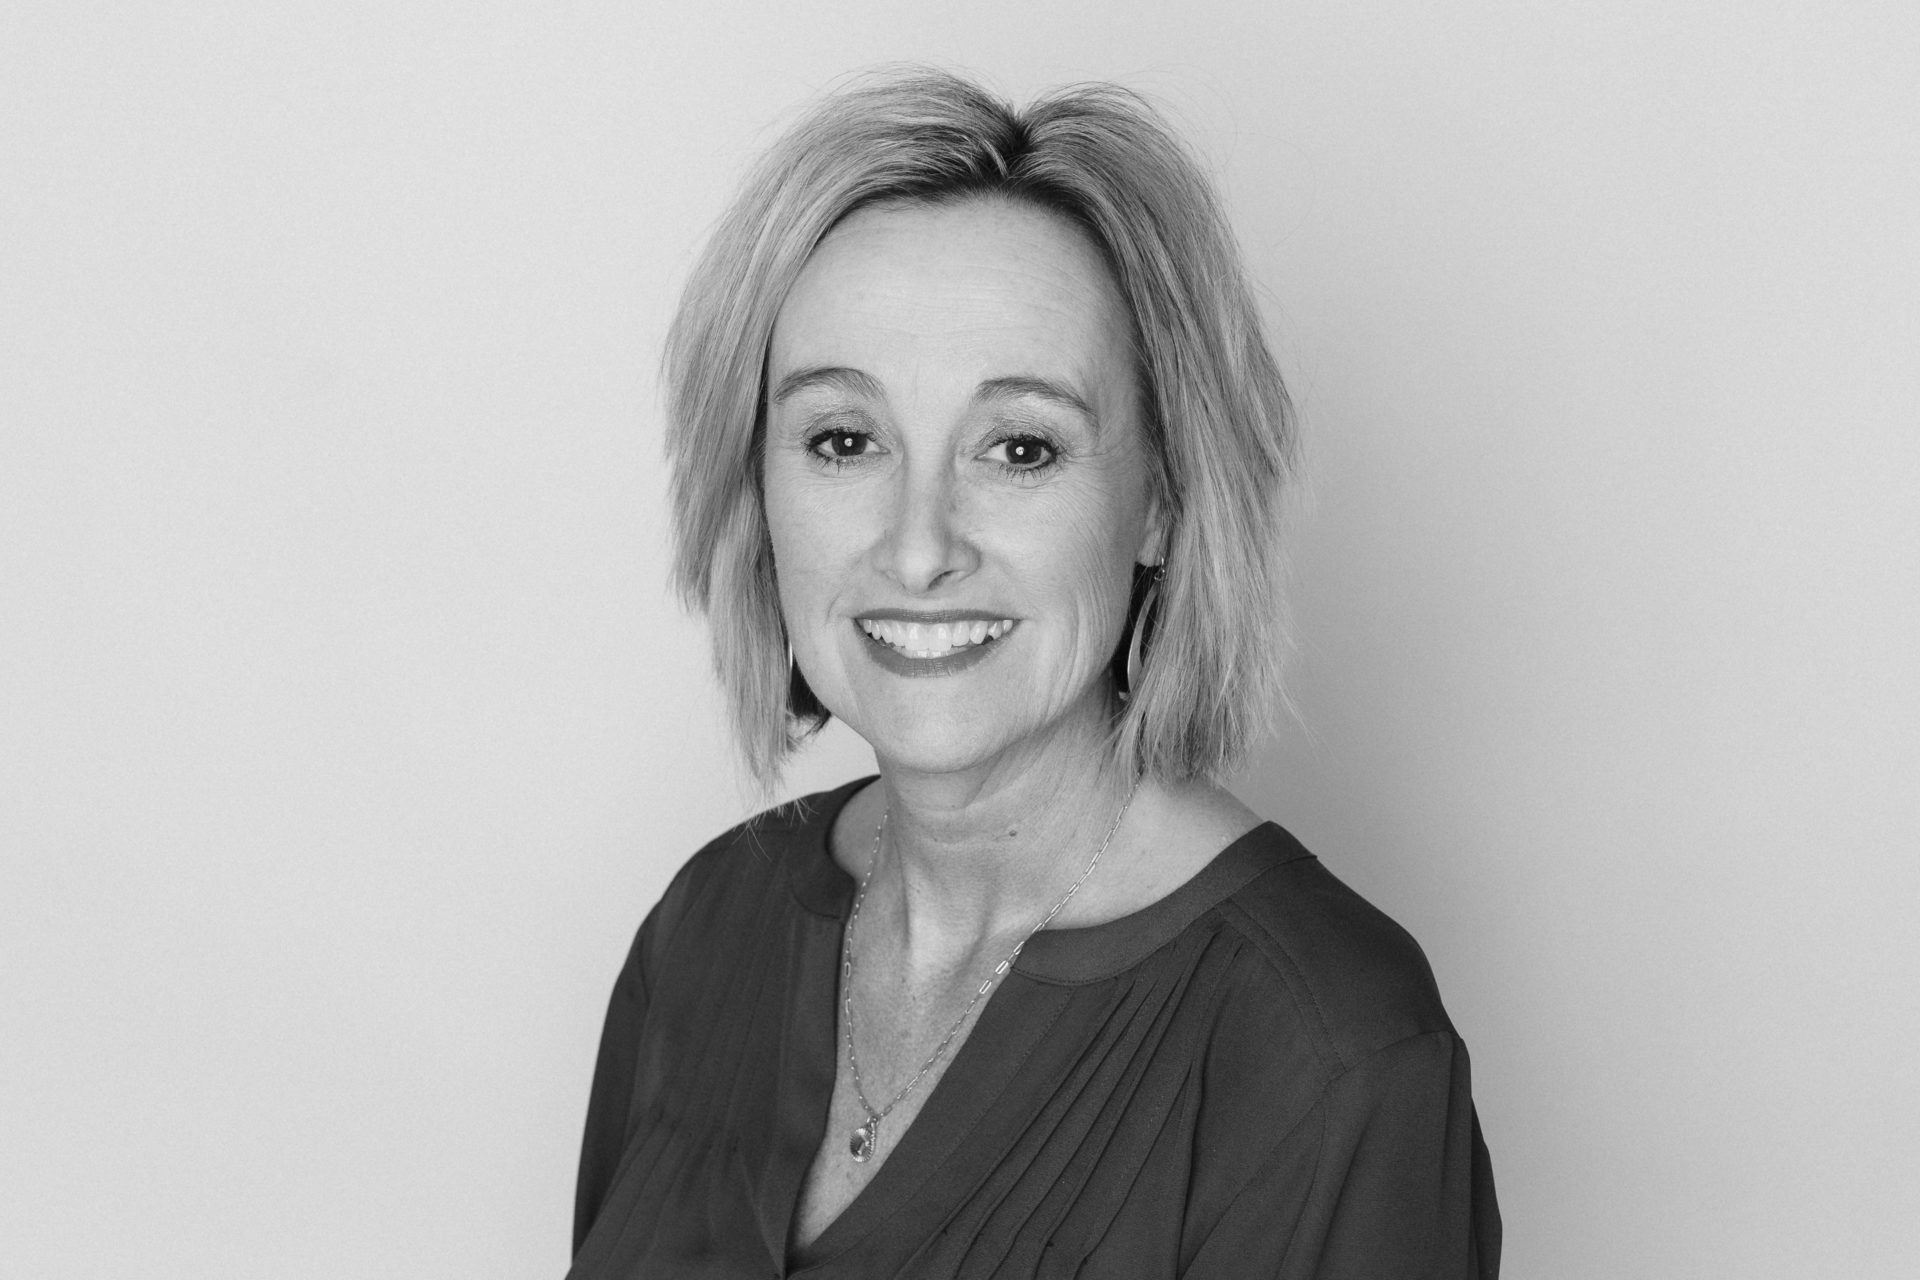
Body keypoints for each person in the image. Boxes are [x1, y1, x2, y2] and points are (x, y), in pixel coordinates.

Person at [570, 69, 1500, 1278]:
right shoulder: (705, 933)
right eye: (843, 440)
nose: (917, 545)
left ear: (1163, 498)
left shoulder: (1335, 1056)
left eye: (1020, 448)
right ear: (757, 483)